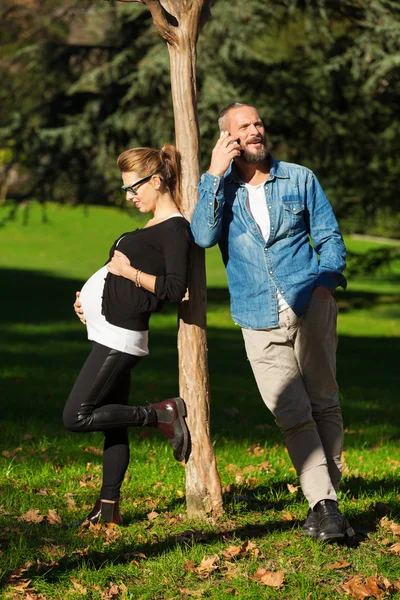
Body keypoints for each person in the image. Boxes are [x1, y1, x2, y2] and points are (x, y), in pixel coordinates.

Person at [191, 102, 354, 542]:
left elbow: (329, 238)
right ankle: (327, 507)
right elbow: (202, 237)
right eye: (244, 126)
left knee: (324, 403)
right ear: (228, 138)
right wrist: (212, 174)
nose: (255, 130)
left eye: (258, 122)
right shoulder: (221, 192)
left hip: (309, 304)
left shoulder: (299, 178)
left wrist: (323, 287)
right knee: (290, 412)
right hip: (256, 314)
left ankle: (325, 506)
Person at [63, 144, 190, 526]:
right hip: (108, 331)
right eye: (126, 190)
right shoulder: (152, 226)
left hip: (120, 338)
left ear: (156, 181)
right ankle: (108, 506)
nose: (130, 196)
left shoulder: (176, 229)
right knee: (111, 424)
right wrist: (86, 299)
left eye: (133, 187)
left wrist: (126, 273)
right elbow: (113, 273)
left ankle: (160, 414)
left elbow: (173, 288)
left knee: (76, 416)